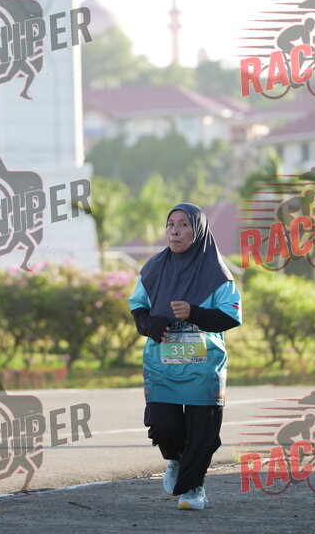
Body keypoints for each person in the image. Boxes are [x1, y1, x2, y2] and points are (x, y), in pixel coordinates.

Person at [128, 204, 241, 511]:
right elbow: (138, 307)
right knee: (162, 424)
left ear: (198, 231)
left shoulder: (217, 273)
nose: (174, 231)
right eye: (170, 224)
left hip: (204, 368)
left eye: (183, 225)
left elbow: (230, 316)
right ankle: (177, 460)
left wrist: (195, 313)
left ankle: (193, 489)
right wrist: (151, 325)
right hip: (162, 365)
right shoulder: (152, 269)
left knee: (202, 433)